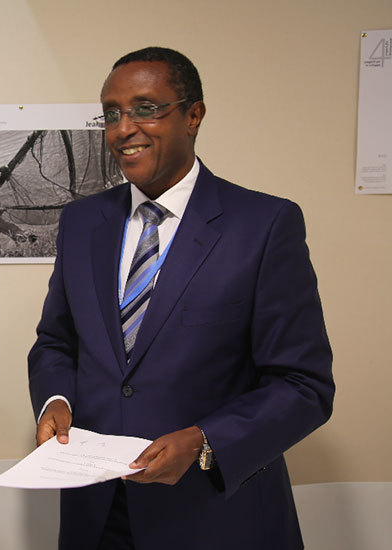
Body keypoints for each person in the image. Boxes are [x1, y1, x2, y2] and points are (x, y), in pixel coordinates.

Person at [28, 47, 334, 549]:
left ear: (194, 115)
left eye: (146, 108)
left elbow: (304, 386)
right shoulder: (83, 223)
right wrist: (55, 400)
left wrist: (204, 442)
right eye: (111, 113)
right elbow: (56, 342)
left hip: (216, 517)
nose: (123, 128)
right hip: (96, 515)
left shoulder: (263, 225)